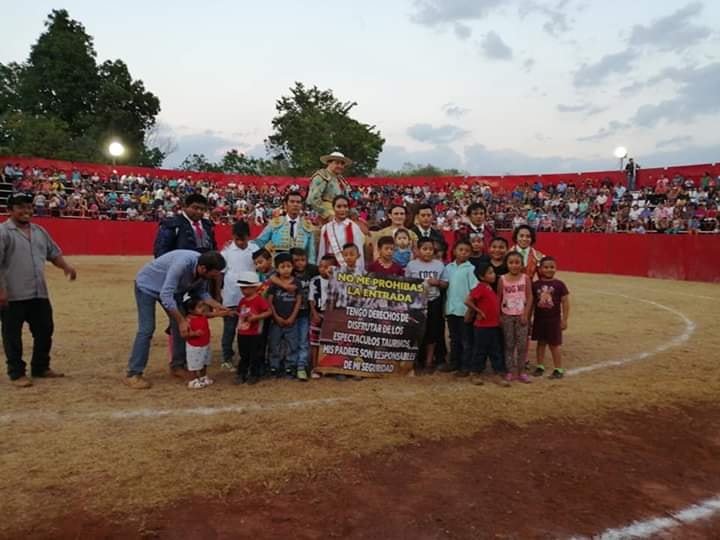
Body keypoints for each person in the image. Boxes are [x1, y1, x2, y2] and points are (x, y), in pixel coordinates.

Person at [0, 193, 77, 388]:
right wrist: (1, 291)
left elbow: (53, 254)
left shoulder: (39, 231)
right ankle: (16, 373)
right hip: (12, 294)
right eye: (20, 207)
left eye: (29, 207)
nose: (26, 211)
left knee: (45, 330)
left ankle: (40, 367)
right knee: (12, 335)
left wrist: (66, 267)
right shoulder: (3, 232)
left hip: (38, 292)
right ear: (10, 210)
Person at [125, 250, 229, 389]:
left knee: (182, 326)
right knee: (147, 328)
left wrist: (217, 305)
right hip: (147, 286)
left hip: (172, 292)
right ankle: (134, 373)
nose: (215, 276)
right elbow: (166, 296)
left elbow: (200, 292)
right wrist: (181, 321)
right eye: (214, 273)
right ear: (203, 268)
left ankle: (177, 366)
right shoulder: (181, 265)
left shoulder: (202, 271)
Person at [405, 238, 447, 373]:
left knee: (432, 331)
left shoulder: (439, 265)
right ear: (417, 250)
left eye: (430, 249)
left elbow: (446, 283)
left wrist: (438, 283)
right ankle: (416, 360)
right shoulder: (411, 265)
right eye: (424, 249)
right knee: (417, 331)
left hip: (434, 302)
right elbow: (405, 284)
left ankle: (429, 361)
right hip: (417, 303)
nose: (428, 252)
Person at [220, 221, 258, 370]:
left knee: (249, 328)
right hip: (231, 296)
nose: (241, 242)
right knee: (229, 329)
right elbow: (219, 275)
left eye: (243, 239)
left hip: (251, 298)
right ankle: (226, 356)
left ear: (249, 236)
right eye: (237, 239)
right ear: (233, 237)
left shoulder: (255, 249)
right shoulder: (226, 252)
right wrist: (218, 294)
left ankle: (247, 356)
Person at [464, 262, 505, 385]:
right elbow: (467, 301)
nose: (493, 275)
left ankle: (498, 373)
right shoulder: (480, 288)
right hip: (482, 327)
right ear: (482, 277)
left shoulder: (489, 288)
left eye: (493, 272)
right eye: (490, 273)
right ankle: (475, 373)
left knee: (495, 350)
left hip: (493, 325)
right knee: (480, 350)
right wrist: (479, 311)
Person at [440, 240, 477, 373]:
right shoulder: (448, 267)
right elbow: (446, 289)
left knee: (466, 340)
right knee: (453, 338)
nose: (463, 253)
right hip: (451, 310)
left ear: (470, 253)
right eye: (460, 250)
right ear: (454, 251)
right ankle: (454, 363)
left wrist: (471, 310)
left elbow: (474, 291)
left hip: (464, 310)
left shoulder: (471, 269)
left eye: (467, 251)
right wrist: (445, 307)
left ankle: (466, 366)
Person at [531, 257, 570, 380]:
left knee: (554, 345)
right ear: (540, 269)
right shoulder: (535, 285)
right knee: (541, 343)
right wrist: (529, 318)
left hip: (554, 320)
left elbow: (565, 302)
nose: (549, 269)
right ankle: (540, 366)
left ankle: (558, 368)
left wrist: (564, 320)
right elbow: (532, 303)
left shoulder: (559, 284)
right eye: (546, 267)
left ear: (556, 268)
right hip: (539, 319)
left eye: (552, 267)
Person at [267, 252, 304, 381]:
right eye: (282, 267)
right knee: (274, 343)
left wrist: (293, 317)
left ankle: (290, 366)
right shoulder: (274, 284)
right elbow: (269, 302)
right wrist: (276, 317)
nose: (286, 269)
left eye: (288, 266)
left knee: (292, 344)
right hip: (276, 321)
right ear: (277, 269)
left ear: (292, 267)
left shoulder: (297, 283)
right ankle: (274, 366)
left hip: (292, 320)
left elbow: (299, 300)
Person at [497, 252, 533, 384]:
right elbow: (499, 298)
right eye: (511, 262)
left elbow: (530, 297)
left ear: (522, 264)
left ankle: (521, 371)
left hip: (521, 316)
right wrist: (499, 315)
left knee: (522, 345)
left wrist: (526, 314)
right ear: (507, 264)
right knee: (509, 344)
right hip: (507, 315)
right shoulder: (502, 279)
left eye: (517, 262)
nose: (514, 265)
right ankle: (510, 371)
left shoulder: (526, 278)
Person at [254, 191, 316, 263]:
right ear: (285, 205)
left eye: (298, 202)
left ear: (301, 205)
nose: (295, 204)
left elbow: (311, 254)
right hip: (278, 267)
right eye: (292, 202)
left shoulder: (308, 227)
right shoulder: (274, 223)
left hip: (299, 268)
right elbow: (259, 242)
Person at [234, 272, 272, 385]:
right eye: (242, 288)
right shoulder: (242, 301)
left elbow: (269, 311)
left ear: (254, 287)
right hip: (243, 331)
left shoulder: (259, 300)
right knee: (244, 354)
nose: (243, 291)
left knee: (255, 354)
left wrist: (257, 317)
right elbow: (240, 312)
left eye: (245, 288)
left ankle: (254, 374)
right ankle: (242, 373)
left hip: (255, 333)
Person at [153, 193, 217, 257]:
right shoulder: (172, 224)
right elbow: (161, 250)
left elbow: (213, 248)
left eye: (202, 209)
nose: (199, 211)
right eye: (195, 208)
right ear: (184, 207)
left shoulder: (207, 225)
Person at [318, 195, 365, 268]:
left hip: (349, 268)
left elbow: (359, 252)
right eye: (339, 206)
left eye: (345, 206)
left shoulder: (354, 227)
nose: (342, 209)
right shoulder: (326, 228)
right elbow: (322, 251)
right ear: (333, 208)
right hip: (331, 268)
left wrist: (358, 271)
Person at [309, 255, 337, 379]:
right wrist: (314, 314)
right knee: (315, 342)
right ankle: (315, 368)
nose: (322, 269)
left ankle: (330, 367)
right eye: (320, 266)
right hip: (318, 315)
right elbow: (311, 299)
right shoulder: (315, 280)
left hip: (332, 316)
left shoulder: (337, 280)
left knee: (331, 342)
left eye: (326, 266)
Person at [306, 152, 353, 222]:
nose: (340, 166)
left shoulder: (340, 179)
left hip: (340, 212)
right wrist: (326, 214)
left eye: (342, 164)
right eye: (337, 163)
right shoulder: (322, 176)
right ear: (329, 163)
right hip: (325, 213)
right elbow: (313, 199)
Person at [185, 298, 221, 389]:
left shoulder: (203, 316)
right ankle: (192, 380)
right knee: (193, 364)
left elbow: (213, 314)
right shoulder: (188, 320)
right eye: (199, 307)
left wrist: (225, 312)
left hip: (205, 343)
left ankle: (203, 377)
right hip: (194, 346)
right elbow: (185, 334)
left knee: (204, 361)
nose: (203, 308)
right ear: (191, 310)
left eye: (203, 305)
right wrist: (194, 333)